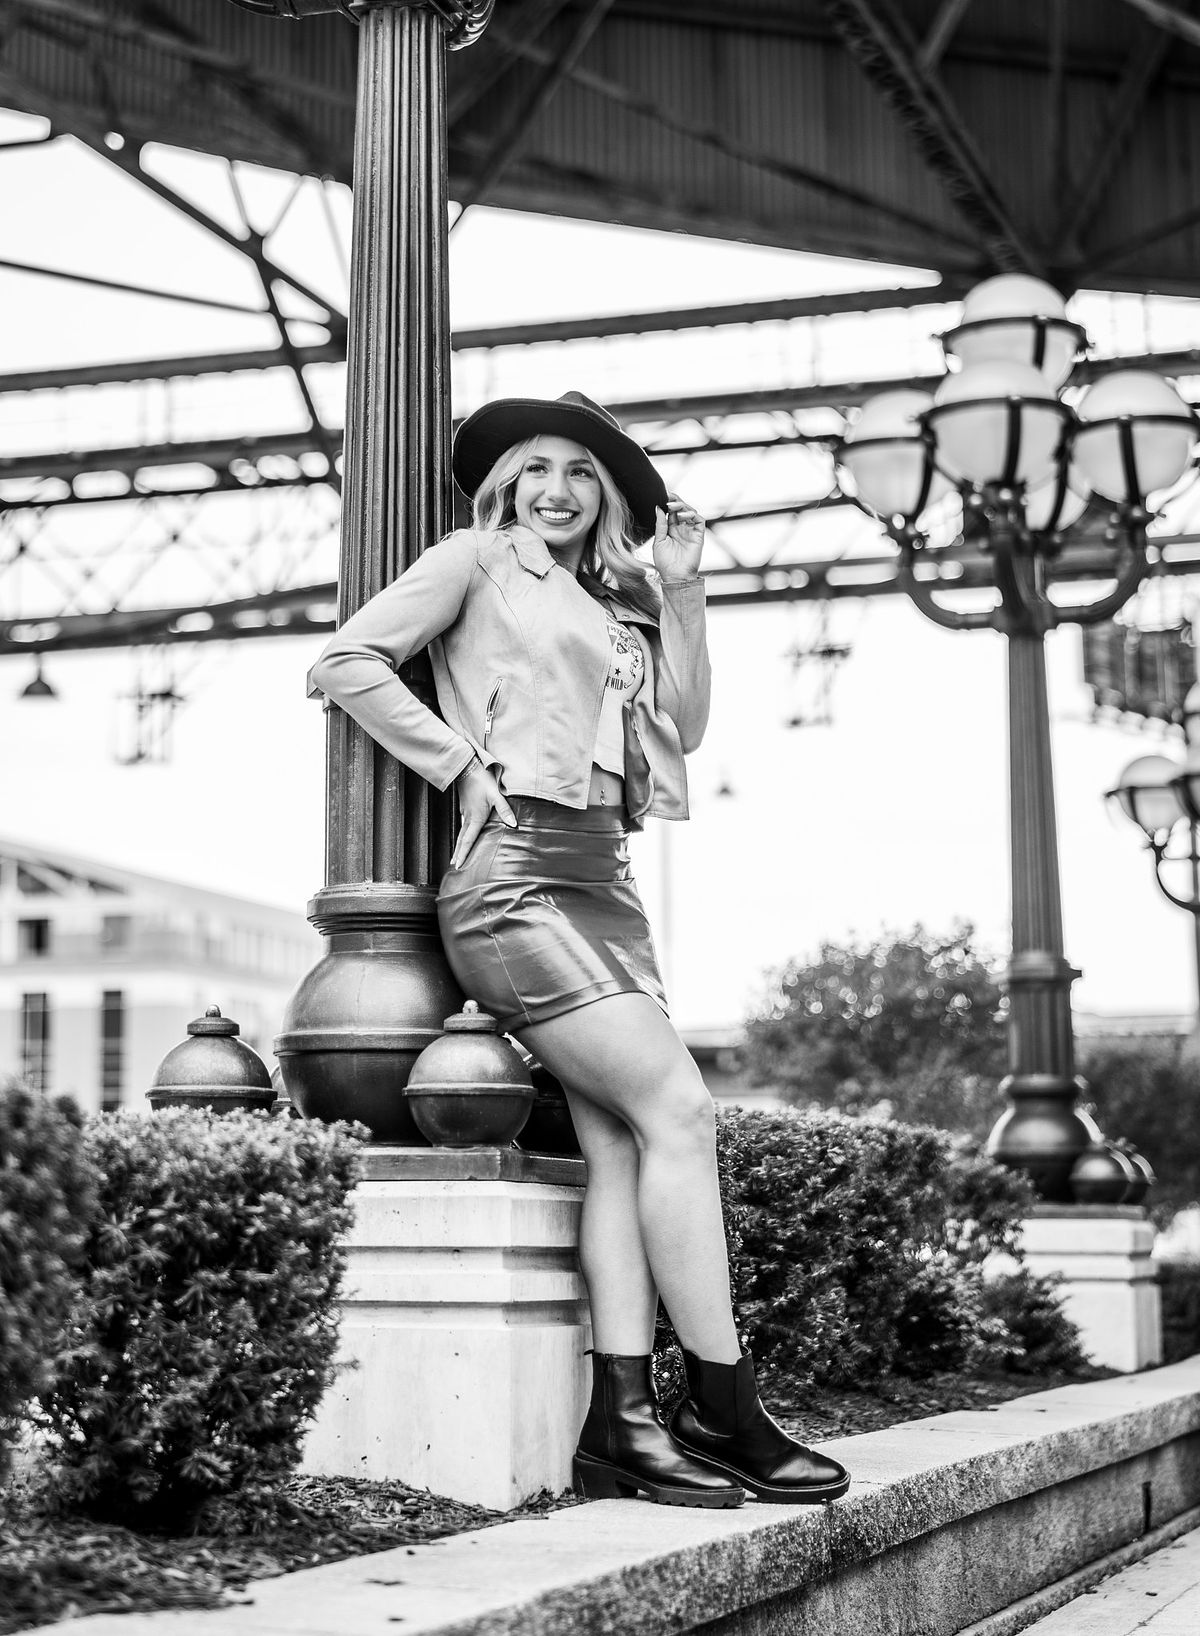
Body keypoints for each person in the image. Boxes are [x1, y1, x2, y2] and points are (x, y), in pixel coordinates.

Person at [307, 390, 850, 1509]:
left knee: (621, 1142)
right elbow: (349, 660)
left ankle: (626, 1419)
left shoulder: (621, 604)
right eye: (536, 465)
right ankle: (728, 1405)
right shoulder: (474, 559)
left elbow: (687, 725)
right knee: (682, 1112)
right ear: (506, 480)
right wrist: (459, 763)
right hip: (512, 877)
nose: (555, 487)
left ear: (606, 494)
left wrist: (687, 592)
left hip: (606, 878)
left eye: (580, 472)